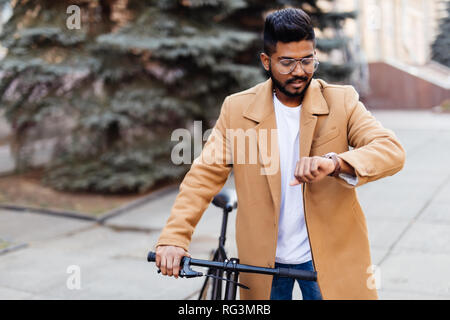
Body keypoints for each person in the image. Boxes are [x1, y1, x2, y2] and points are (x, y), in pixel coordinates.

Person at [154, 8, 405, 300]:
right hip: (263, 263)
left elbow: (390, 150)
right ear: (266, 61)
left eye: (307, 60)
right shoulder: (238, 111)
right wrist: (174, 238)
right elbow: (202, 177)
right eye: (287, 62)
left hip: (329, 257)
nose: (299, 71)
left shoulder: (341, 101)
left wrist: (334, 163)